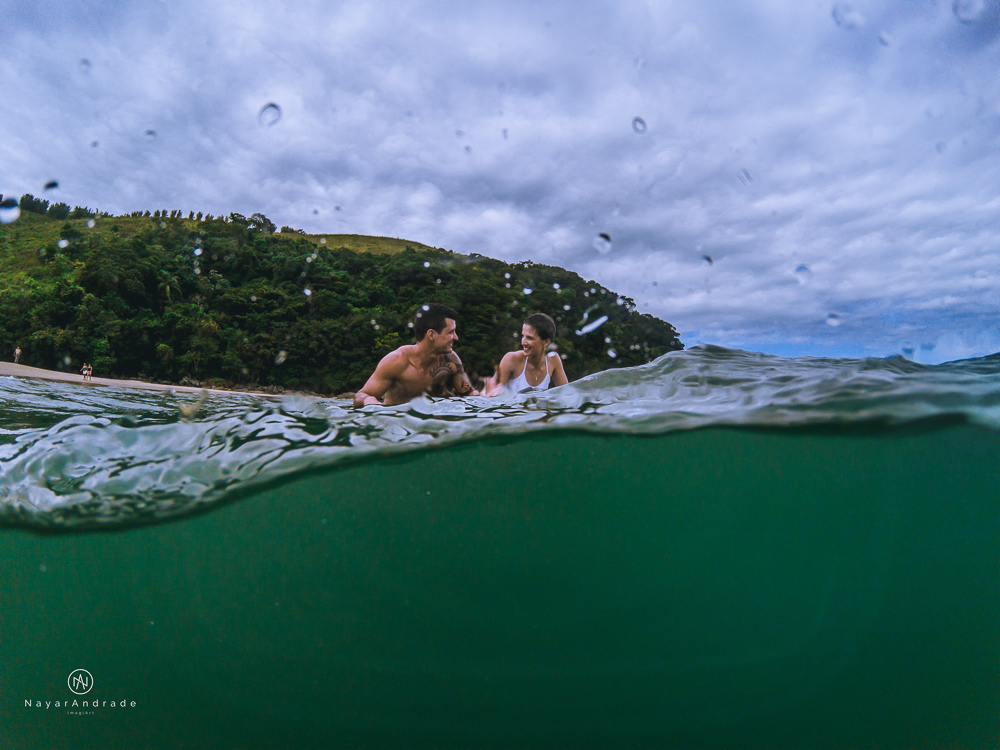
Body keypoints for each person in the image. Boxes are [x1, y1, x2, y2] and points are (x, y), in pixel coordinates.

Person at [354, 303, 478, 407]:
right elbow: (360, 396)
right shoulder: (396, 361)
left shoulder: (450, 360)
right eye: (451, 332)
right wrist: (369, 401)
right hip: (398, 428)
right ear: (431, 335)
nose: (456, 338)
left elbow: (470, 394)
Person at [485, 312, 569, 395]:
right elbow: (492, 397)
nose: (523, 342)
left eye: (529, 338)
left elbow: (567, 395)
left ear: (546, 342)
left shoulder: (553, 360)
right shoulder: (511, 359)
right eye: (523, 336)